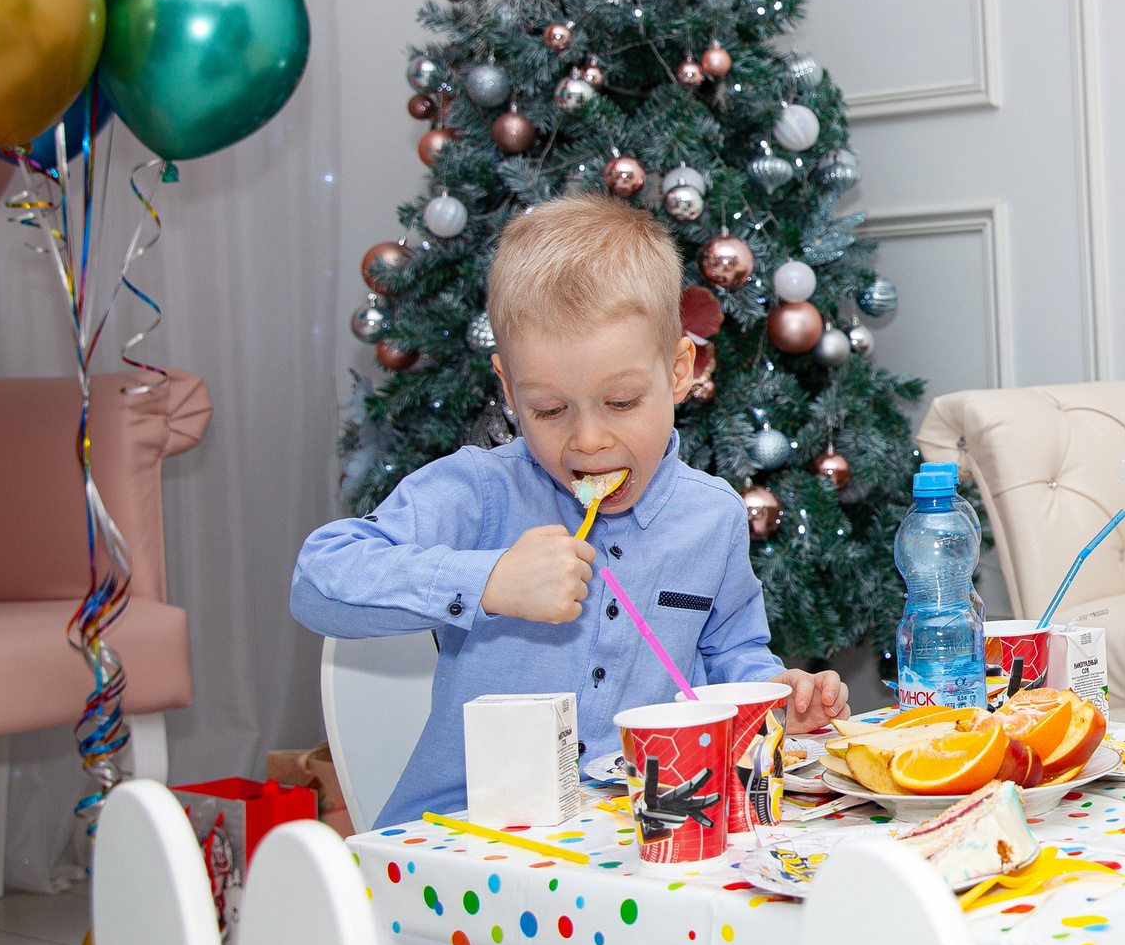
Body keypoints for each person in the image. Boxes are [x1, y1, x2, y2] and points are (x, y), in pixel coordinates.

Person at [293, 194, 845, 824]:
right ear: (508, 387)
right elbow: (316, 581)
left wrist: (772, 696)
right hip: (463, 840)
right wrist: (488, 581)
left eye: (621, 402)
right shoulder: (478, 492)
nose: (587, 440)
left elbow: (731, 656)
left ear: (679, 370)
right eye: (550, 410)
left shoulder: (711, 516)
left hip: (636, 830)